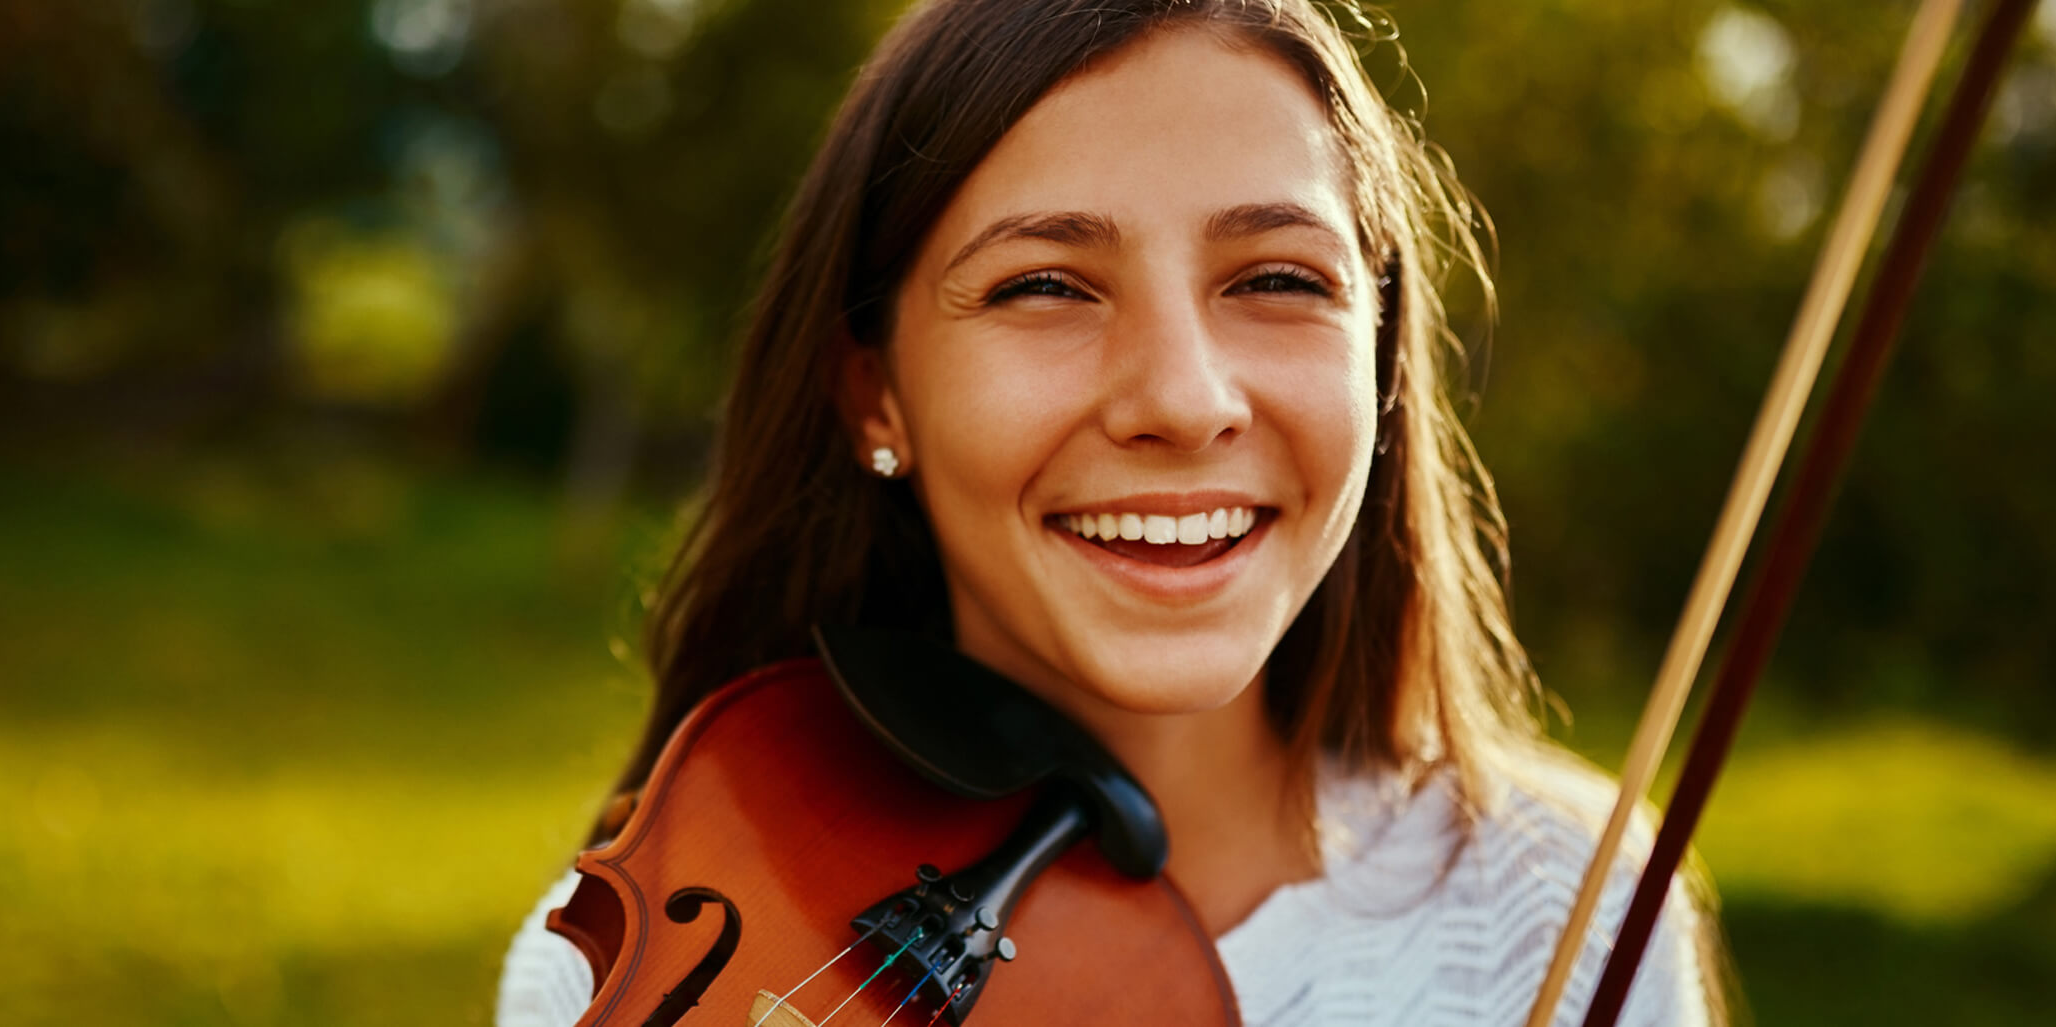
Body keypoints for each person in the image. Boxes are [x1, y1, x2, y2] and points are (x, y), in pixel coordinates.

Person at [498, 0, 1721, 1023]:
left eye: (1278, 279)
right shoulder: (633, 963)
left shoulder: (1572, 909)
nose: (1184, 400)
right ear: (876, 393)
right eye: (1044, 285)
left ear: (1384, 359)